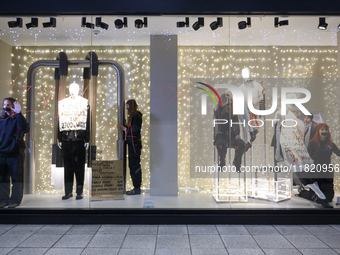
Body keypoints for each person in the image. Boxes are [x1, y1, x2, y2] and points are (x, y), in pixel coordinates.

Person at [58, 82, 90, 200]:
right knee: (68, 166)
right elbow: (60, 120)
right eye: (71, 88)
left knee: (79, 166)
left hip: (79, 139)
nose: (73, 90)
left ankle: (79, 191)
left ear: (79, 90)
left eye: (75, 88)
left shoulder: (84, 103)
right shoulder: (63, 104)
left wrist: (87, 138)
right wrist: (60, 137)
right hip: (66, 139)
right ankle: (68, 191)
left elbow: (88, 120)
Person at [297, 123, 338, 208]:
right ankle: (302, 191)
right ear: (318, 131)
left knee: (329, 198)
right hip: (316, 170)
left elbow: (339, 152)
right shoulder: (312, 144)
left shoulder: (331, 144)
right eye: (322, 130)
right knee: (315, 196)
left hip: (327, 170)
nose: (324, 131)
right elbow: (307, 157)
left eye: (326, 130)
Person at [0, 98, 29, 208]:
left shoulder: (17, 118)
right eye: (4, 104)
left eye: (8, 104)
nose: (6, 106)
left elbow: (25, 128)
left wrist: (18, 113)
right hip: (2, 153)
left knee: (17, 178)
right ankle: (3, 200)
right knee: (2, 178)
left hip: (15, 153)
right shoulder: (1, 119)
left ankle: (15, 200)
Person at [214, 93, 251, 172]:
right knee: (221, 144)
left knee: (242, 144)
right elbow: (216, 115)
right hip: (222, 135)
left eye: (229, 101)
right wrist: (221, 106)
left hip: (232, 135)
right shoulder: (219, 112)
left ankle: (237, 162)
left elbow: (237, 124)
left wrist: (238, 134)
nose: (228, 103)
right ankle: (222, 163)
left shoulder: (233, 113)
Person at [117, 99, 143, 195]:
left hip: (134, 146)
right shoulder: (134, 116)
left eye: (128, 107)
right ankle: (136, 187)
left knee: (134, 165)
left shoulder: (136, 116)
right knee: (133, 165)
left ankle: (137, 187)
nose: (127, 110)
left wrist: (123, 128)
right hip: (133, 145)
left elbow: (134, 131)